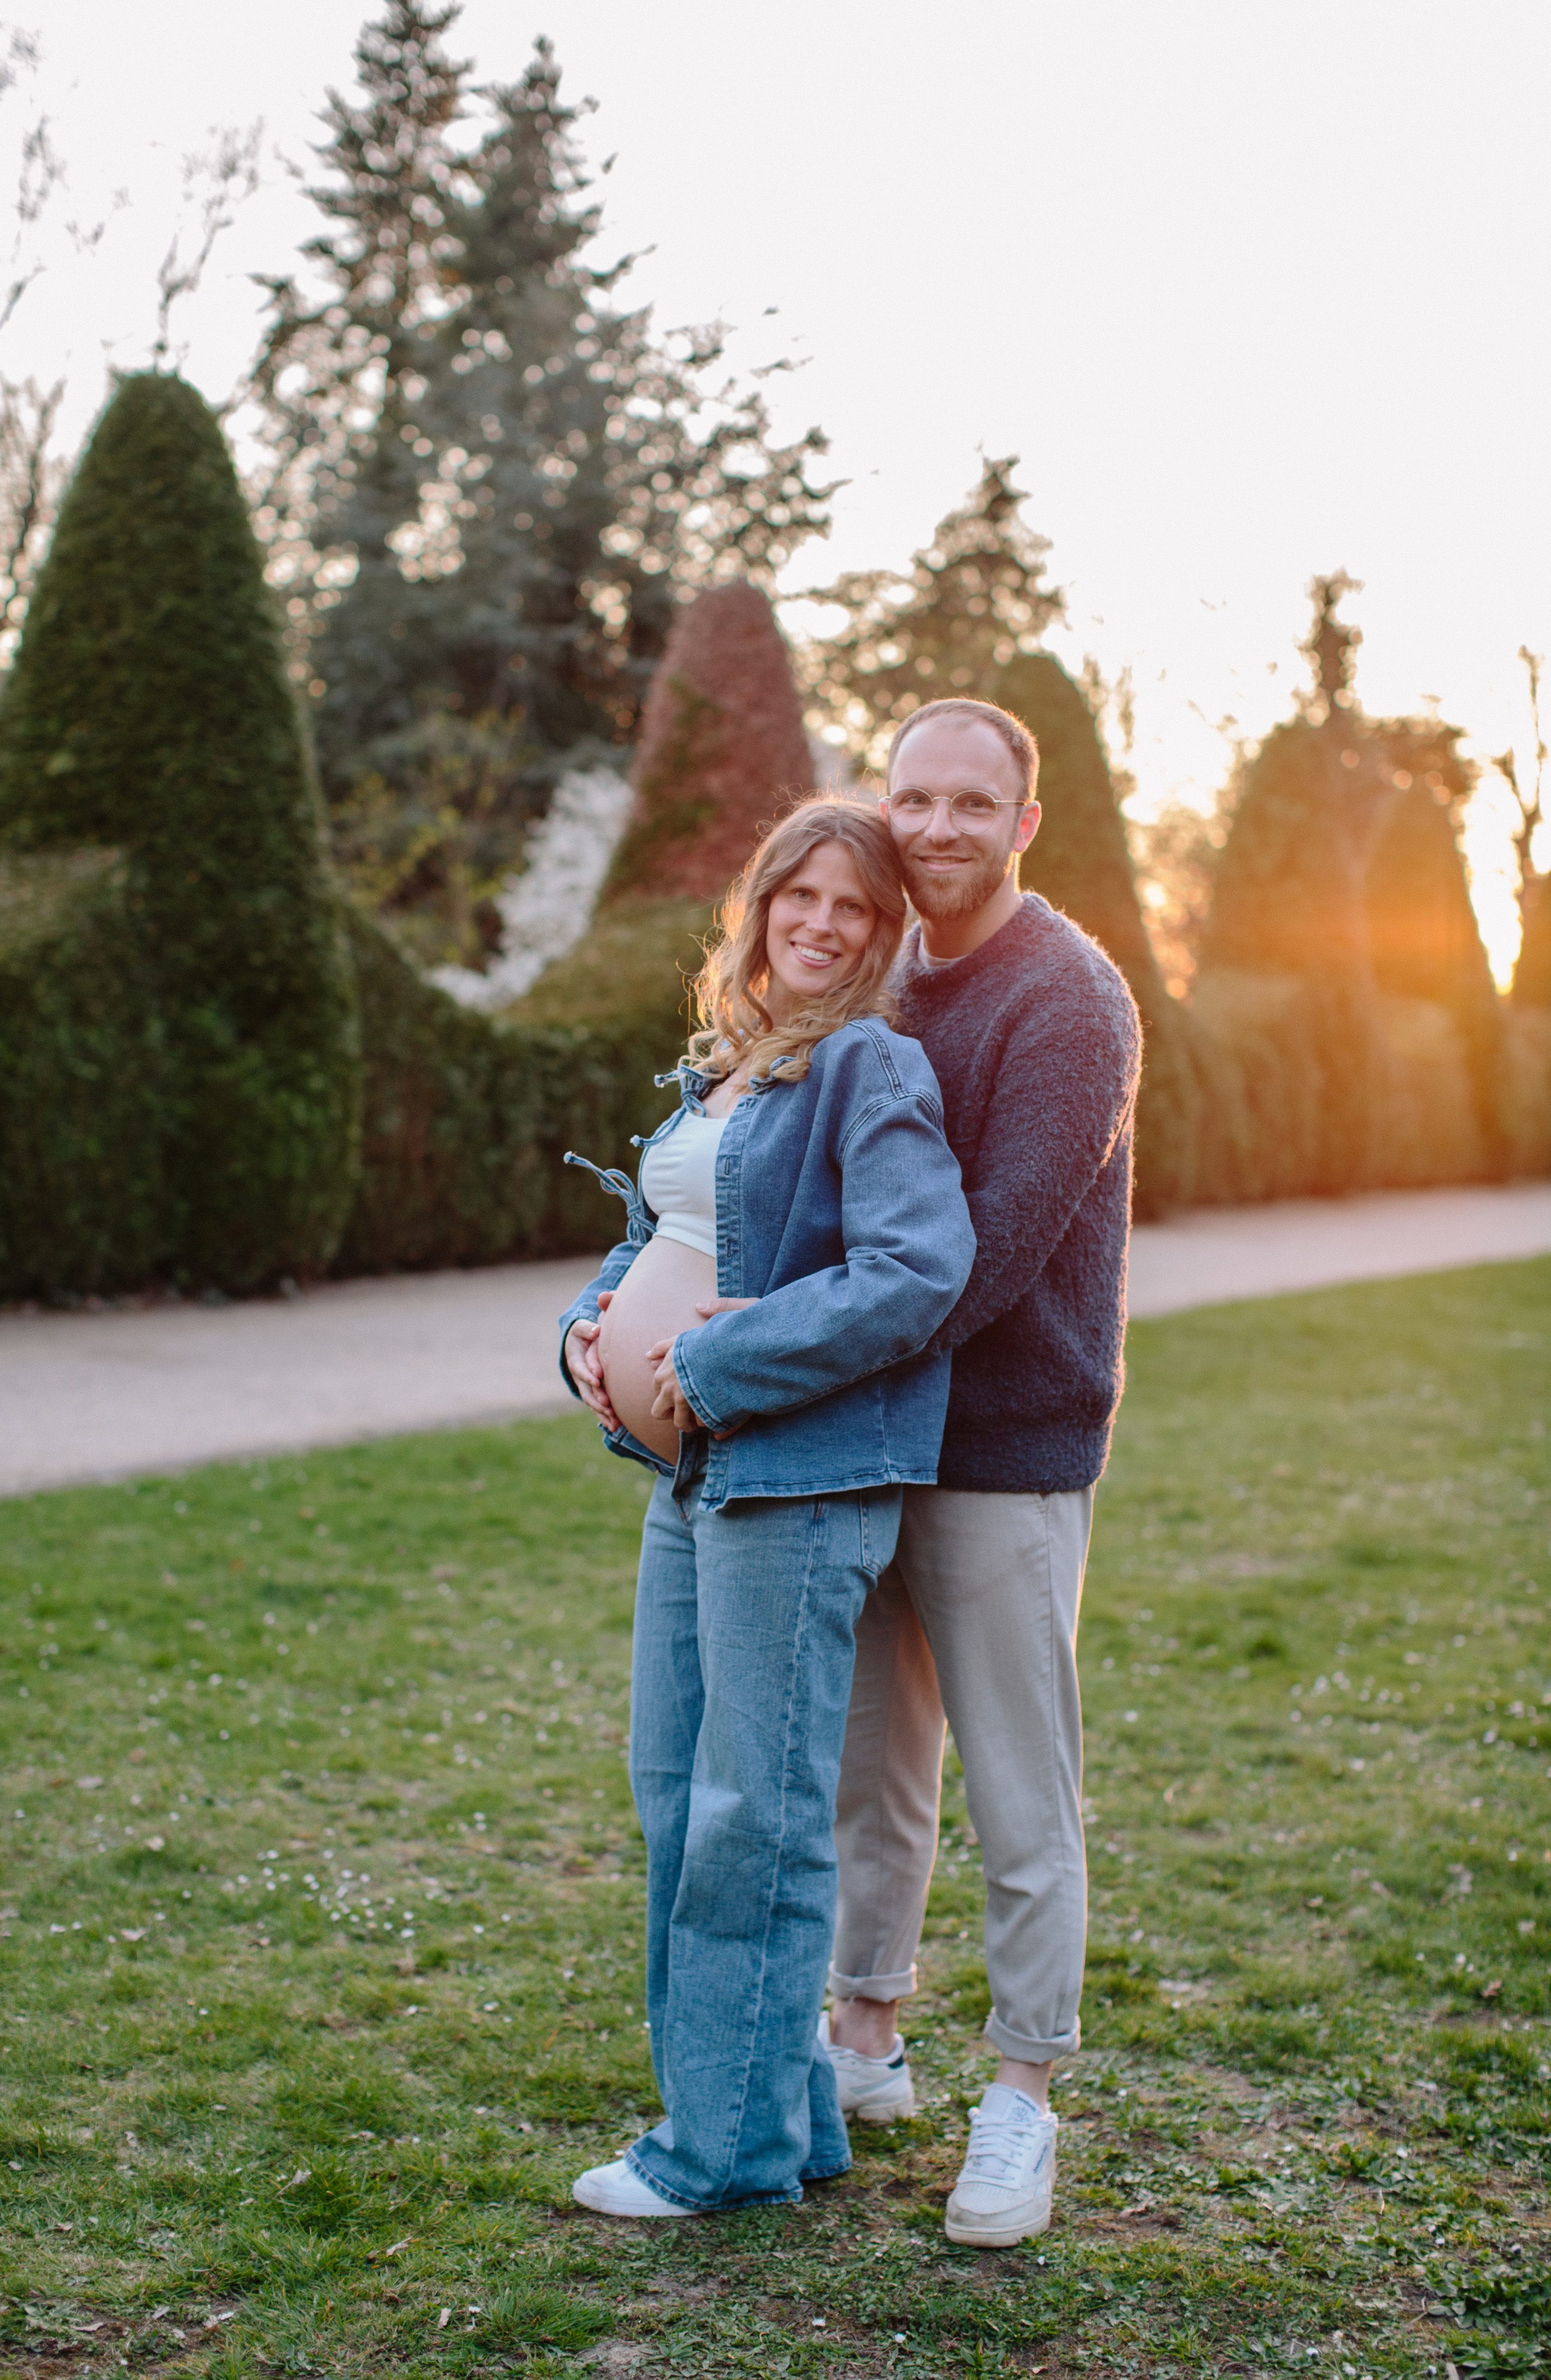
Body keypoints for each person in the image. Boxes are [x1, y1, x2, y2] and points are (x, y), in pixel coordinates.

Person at [557, 796, 976, 2218]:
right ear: (757, 905)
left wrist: (715, 1362)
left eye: (849, 908)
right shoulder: (728, 1072)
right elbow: (652, 1239)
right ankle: (781, 2116)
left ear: (877, 936)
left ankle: (720, 2158)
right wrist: (586, 1332)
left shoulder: (870, 1069)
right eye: (796, 894)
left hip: (793, 1482)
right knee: (676, 1792)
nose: (816, 922)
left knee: (753, 1815)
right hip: (693, 1479)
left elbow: (918, 1273)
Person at [817, 697, 1142, 2248]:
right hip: (866, 1438)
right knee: (870, 1774)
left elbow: (996, 1248)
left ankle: (1021, 2097)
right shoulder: (875, 970)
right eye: (911, 800)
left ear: (1023, 821)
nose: (934, 828)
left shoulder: (1067, 997)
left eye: (969, 803)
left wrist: (788, 1355)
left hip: (1003, 1447)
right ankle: (865, 2040)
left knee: (1023, 1793)